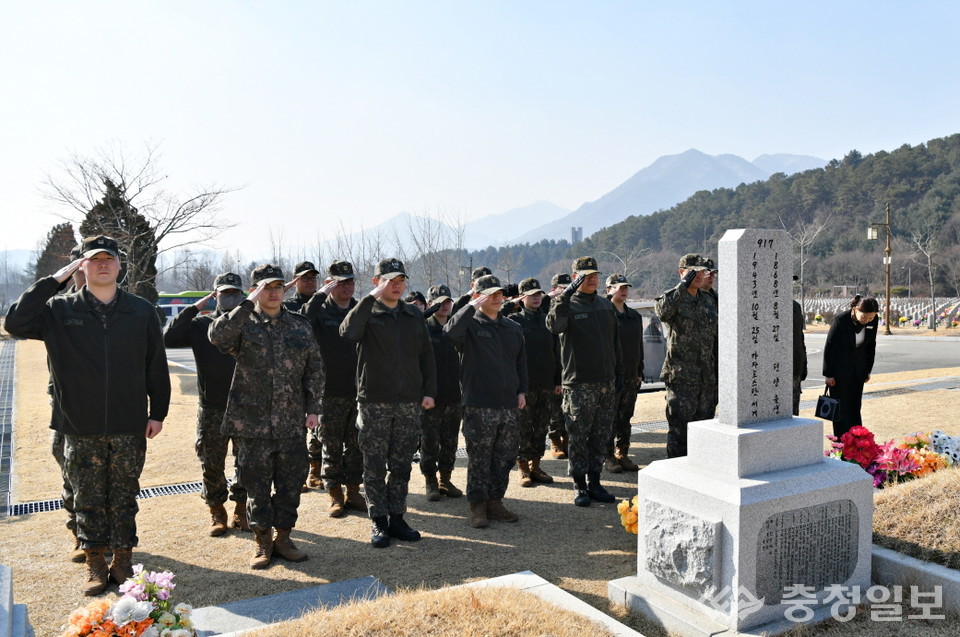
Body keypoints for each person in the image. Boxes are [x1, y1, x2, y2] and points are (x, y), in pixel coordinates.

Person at [5, 235, 170, 596]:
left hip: (128, 423)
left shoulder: (141, 310)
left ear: (120, 265)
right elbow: (15, 322)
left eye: (109, 258)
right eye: (94, 259)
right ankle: (95, 561)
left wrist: (158, 412)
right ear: (81, 265)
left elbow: (156, 365)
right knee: (87, 497)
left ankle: (123, 559)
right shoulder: (59, 310)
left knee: (125, 496)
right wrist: (55, 280)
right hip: (79, 425)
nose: (103, 264)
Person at [209, 264, 324, 569]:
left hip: (291, 421)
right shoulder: (242, 323)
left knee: (290, 484)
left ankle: (283, 538)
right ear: (254, 291)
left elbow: (314, 368)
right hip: (252, 423)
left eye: (277, 287)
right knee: (256, 486)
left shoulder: (299, 325)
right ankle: (262, 541)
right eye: (265, 287)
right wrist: (247, 304)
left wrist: (314, 408)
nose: (273, 293)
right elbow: (216, 336)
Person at [340, 258, 437, 548]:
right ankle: (379, 520)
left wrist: (429, 391)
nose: (396, 285)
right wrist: (369, 299)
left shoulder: (412, 314)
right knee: (374, 465)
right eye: (389, 280)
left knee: (401, 464)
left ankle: (397, 517)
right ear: (376, 282)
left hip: (408, 401)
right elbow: (348, 332)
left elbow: (426, 354)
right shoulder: (367, 311)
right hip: (375, 401)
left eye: (400, 280)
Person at [163, 272, 249, 536]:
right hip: (212, 407)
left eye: (235, 293)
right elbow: (169, 338)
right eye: (225, 293)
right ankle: (217, 511)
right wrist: (194, 307)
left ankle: (241, 509)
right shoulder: (201, 325)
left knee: (247, 462)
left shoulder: (252, 323)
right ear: (215, 296)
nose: (230, 297)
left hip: (247, 406)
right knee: (211, 462)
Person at [444, 274, 527, 527]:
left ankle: (495, 501)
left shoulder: (512, 327)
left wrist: (522, 391)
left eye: (499, 293)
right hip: (479, 404)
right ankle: (477, 505)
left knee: (505, 457)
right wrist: (470, 305)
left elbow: (520, 363)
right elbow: (449, 332)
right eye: (490, 294)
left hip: (508, 404)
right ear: (478, 296)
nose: (496, 298)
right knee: (480, 458)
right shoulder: (469, 326)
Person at [547, 257, 622, 507]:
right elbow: (554, 326)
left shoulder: (605, 305)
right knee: (578, 437)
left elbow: (615, 342)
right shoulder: (566, 304)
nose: (592, 279)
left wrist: (619, 373)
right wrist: (564, 296)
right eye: (585, 275)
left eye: (595, 275)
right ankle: (579, 484)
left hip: (606, 382)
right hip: (579, 384)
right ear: (575, 277)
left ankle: (595, 482)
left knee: (601, 436)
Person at [300, 260, 367, 517]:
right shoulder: (319, 311)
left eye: (350, 281)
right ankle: (335, 494)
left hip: (358, 390)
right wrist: (320, 295)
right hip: (328, 391)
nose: (347, 287)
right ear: (330, 284)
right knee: (331, 446)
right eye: (340, 282)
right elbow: (302, 320)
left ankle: (354, 491)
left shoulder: (359, 309)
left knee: (357, 445)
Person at [655, 254, 718, 458]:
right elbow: (662, 312)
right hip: (681, 378)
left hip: (706, 378)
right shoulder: (673, 298)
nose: (699, 275)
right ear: (681, 272)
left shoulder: (708, 300)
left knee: (704, 430)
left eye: (701, 271)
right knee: (680, 432)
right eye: (693, 271)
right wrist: (682, 286)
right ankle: (676, 471)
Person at [49, 242, 85, 563]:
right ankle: (78, 533)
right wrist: (55, 281)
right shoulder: (57, 307)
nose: (85, 270)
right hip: (65, 404)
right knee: (69, 467)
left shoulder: (120, 304)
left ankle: (107, 538)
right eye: (79, 264)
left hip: (108, 402)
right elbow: (20, 317)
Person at [508, 278, 561, 487]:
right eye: (531, 295)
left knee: (541, 426)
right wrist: (510, 303)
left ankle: (536, 465)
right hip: (524, 385)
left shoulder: (548, 319)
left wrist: (557, 380)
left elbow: (556, 351)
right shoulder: (514, 320)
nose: (536, 298)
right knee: (523, 427)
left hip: (546, 383)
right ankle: (522, 466)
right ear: (522, 298)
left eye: (539, 294)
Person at [419, 284, 464, 501]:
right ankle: (431, 481)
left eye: (448, 302)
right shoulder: (424, 327)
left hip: (454, 394)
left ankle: (446, 479)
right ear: (430, 304)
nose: (445, 306)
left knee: (450, 441)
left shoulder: (456, 327)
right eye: (439, 302)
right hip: (431, 396)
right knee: (429, 441)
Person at [822, 296, 879, 437]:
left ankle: (857, 439)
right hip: (839, 371)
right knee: (840, 408)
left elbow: (871, 346)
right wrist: (828, 374)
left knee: (855, 406)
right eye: (865, 317)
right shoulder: (841, 320)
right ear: (855, 309)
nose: (868, 320)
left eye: (871, 317)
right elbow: (830, 346)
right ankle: (841, 440)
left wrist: (867, 370)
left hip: (858, 370)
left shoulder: (873, 321)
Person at [604, 274, 644, 473]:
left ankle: (623, 453)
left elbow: (638, 346)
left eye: (626, 287)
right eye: (619, 287)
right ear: (608, 290)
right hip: (611, 375)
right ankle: (608, 456)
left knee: (625, 417)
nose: (624, 290)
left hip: (630, 374)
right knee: (609, 418)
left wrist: (639, 370)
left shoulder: (634, 316)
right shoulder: (604, 314)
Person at [546, 272, 570, 459]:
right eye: (562, 288)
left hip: (570, 364)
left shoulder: (571, 305)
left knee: (569, 408)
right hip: (553, 363)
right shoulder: (548, 307)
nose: (565, 291)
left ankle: (568, 439)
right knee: (555, 409)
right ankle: (555, 440)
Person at [793, 294, 808, 416]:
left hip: (795, 364)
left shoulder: (795, 307)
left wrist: (804, 365)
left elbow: (800, 338)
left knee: (793, 412)